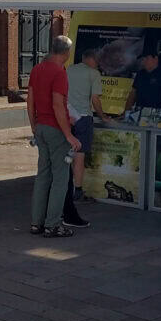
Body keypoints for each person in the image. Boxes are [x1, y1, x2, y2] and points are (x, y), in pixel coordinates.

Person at [27, 35, 82, 238]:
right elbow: (58, 104)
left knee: (43, 175)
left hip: (41, 126)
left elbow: (30, 100)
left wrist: (34, 125)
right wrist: (68, 134)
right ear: (66, 53)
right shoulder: (59, 73)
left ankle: (36, 222)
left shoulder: (37, 69)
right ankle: (53, 224)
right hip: (56, 129)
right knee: (60, 177)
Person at [64, 49, 113, 222]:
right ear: (91, 59)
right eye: (97, 61)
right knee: (80, 154)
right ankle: (77, 189)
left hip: (67, 117)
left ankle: (65, 187)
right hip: (84, 118)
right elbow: (95, 99)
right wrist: (102, 116)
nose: (98, 64)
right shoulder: (93, 74)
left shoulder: (68, 70)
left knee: (67, 153)